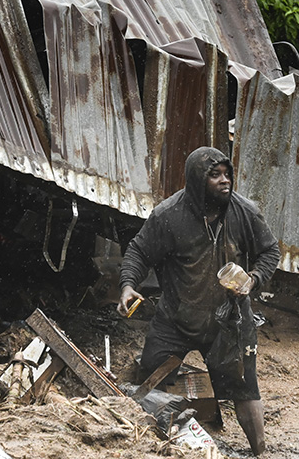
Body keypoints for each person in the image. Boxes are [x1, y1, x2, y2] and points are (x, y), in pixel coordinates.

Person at [118, 146, 280, 456]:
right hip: (177, 318)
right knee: (153, 378)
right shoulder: (169, 215)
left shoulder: (244, 211)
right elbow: (139, 251)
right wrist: (128, 285)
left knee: (245, 388)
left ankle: (261, 452)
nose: (225, 181)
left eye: (227, 174)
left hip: (229, 321)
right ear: (196, 181)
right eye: (214, 175)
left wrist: (254, 280)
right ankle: (162, 446)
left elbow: (270, 251)